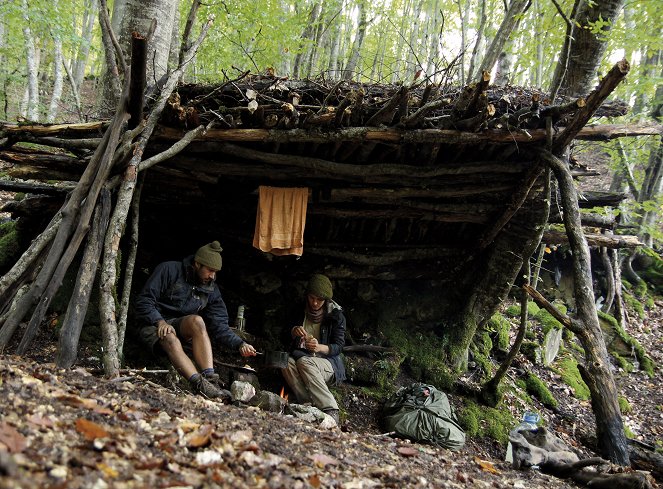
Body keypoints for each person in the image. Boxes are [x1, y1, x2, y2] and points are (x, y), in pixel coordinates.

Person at [134, 241, 257, 399]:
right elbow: (144, 301)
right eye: (210, 270)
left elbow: (220, 325)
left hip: (179, 326)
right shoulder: (169, 270)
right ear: (197, 263)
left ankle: (211, 380)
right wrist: (160, 321)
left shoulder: (211, 289)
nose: (212, 276)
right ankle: (199, 384)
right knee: (170, 338)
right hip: (151, 324)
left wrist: (240, 344)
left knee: (197, 321)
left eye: (216, 272)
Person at [281, 274, 346, 424]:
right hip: (301, 359)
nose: (315, 303)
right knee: (285, 362)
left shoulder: (336, 315)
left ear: (326, 300)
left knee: (304, 361)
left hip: (328, 364)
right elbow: (283, 335)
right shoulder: (299, 309)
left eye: (320, 300)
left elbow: (339, 346)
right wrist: (293, 331)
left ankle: (330, 408)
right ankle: (307, 404)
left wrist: (319, 347)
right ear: (307, 295)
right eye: (311, 298)